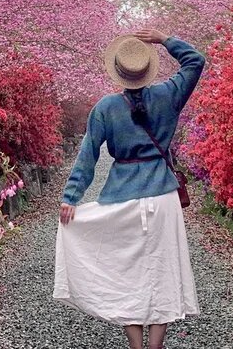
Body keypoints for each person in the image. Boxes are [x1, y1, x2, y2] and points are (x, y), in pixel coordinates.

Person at [53, 28, 206, 349]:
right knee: (162, 268)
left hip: (121, 198)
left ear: (119, 73)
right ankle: (156, 346)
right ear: (146, 70)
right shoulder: (168, 95)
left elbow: (88, 155)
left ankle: (136, 347)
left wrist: (71, 198)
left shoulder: (106, 108)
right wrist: (164, 39)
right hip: (163, 196)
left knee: (127, 272)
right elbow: (195, 61)